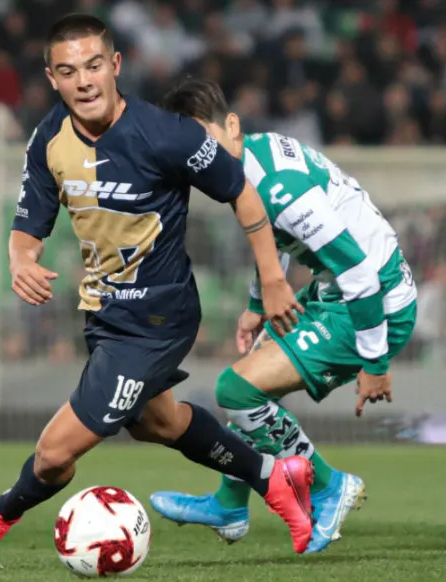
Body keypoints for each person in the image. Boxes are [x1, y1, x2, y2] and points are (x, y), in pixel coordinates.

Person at [0, 15, 316, 569]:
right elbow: (29, 225)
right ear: (52, 78)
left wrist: (274, 281)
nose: (84, 81)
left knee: (53, 454)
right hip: (104, 313)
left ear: (115, 66)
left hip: (159, 317)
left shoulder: (167, 134)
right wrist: (21, 259)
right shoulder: (49, 139)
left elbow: (244, 193)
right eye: (69, 71)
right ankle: (273, 475)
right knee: (157, 423)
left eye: (94, 66)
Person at [149, 78, 418, 553]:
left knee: (236, 389)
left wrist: (375, 363)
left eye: (204, 141)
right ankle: (230, 503)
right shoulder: (253, 160)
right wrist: (258, 304)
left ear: (231, 125)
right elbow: (275, 239)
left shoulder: (278, 187)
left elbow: (358, 271)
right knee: (253, 383)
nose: (199, 159)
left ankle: (328, 486)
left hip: (371, 303)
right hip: (340, 291)